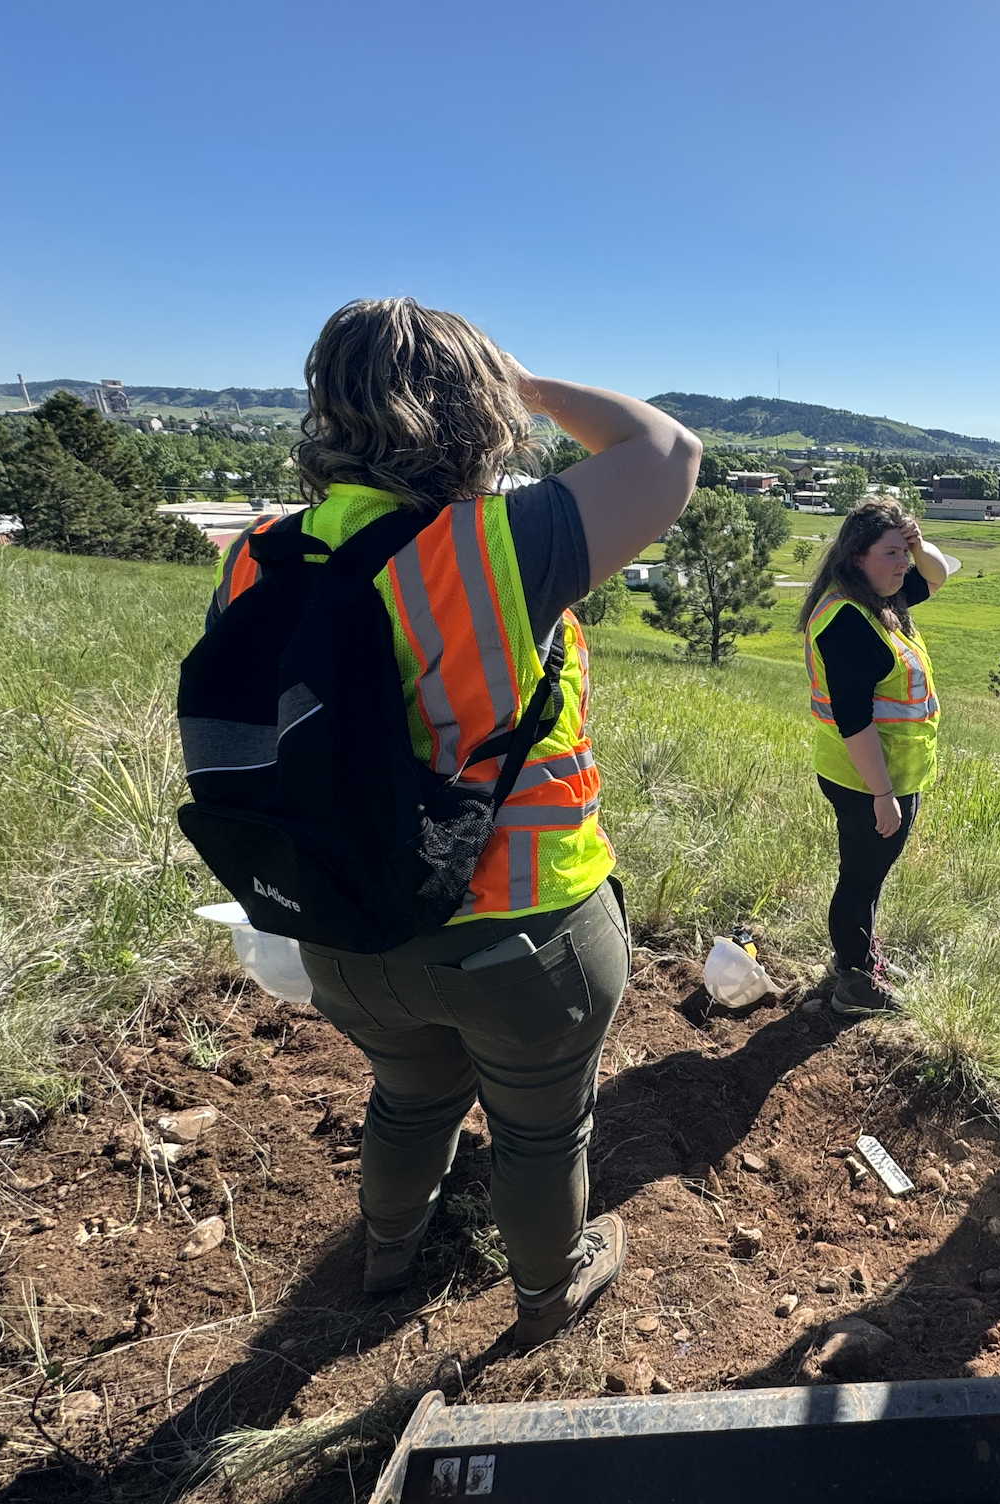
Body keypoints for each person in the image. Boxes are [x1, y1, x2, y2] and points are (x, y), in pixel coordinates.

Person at [205, 298, 700, 1345]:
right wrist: (526, 383)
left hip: (345, 923)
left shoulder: (258, 555)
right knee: (538, 1131)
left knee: (407, 1097)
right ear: (472, 409)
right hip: (526, 930)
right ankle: (549, 1289)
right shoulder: (496, 546)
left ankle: (388, 1255)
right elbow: (665, 448)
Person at [799, 499, 957, 1014]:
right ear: (856, 558)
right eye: (890, 553)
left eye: (903, 553)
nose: (904, 564)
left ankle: (862, 958)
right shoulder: (848, 621)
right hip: (866, 778)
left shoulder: (878, 596)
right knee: (861, 877)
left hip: (887, 772)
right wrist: (883, 796)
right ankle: (853, 981)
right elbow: (855, 720)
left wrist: (915, 542)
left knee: (869, 873)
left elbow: (937, 577)